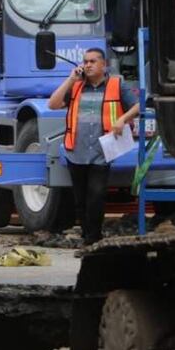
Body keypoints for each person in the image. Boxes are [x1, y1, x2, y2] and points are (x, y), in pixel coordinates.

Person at [47, 48, 140, 246]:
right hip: (77, 150)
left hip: (101, 151)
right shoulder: (77, 86)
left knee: (96, 195)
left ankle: (94, 237)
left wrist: (122, 119)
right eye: (85, 61)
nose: (87, 65)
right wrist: (70, 80)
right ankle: (87, 234)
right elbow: (53, 104)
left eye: (92, 61)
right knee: (80, 199)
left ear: (103, 64)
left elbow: (138, 105)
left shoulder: (117, 84)